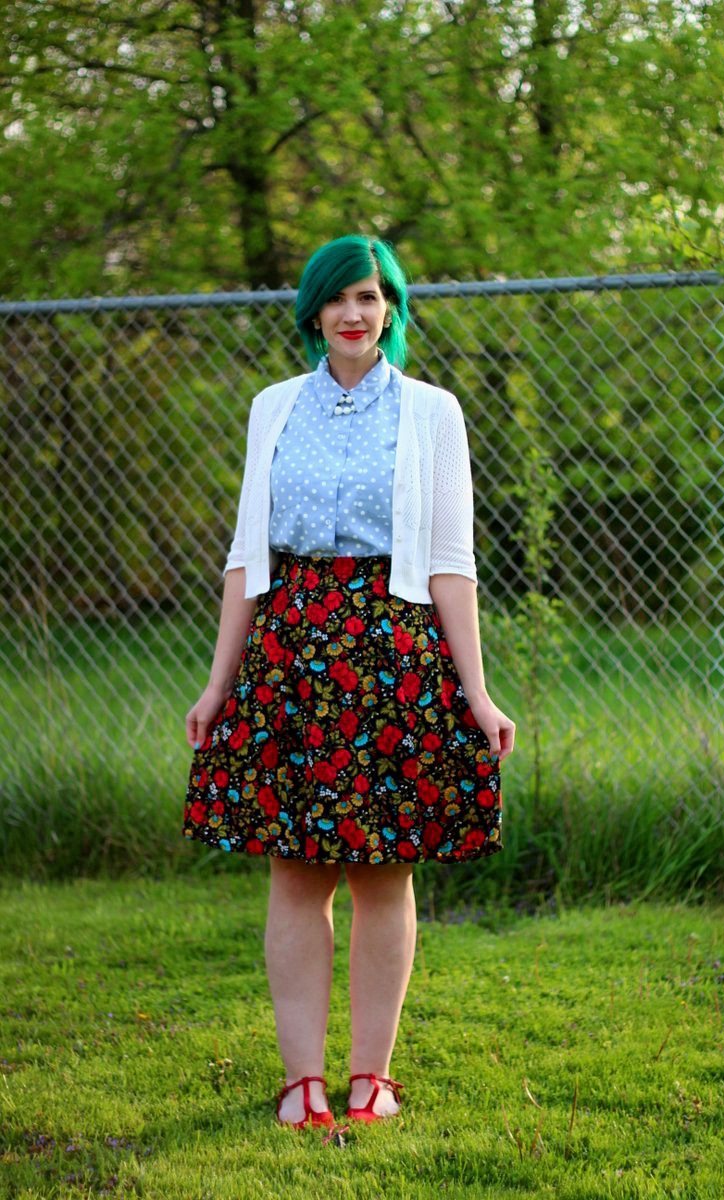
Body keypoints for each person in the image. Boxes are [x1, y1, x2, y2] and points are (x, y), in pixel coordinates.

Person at [182, 235, 515, 1130]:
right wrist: (218, 685)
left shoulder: (433, 413)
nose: (355, 314)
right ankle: (303, 1083)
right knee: (296, 870)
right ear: (314, 313)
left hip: (394, 655)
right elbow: (248, 558)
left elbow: (451, 562)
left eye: (370, 297)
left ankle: (371, 1078)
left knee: (384, 874)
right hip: (290, 650)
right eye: (338, 299)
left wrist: (477, 692)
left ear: (392, 308)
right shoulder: (272, 408)